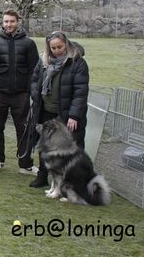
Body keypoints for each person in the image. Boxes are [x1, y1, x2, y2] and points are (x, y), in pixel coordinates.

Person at [28, 31, 89, 188]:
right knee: (44, 145)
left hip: (67, 113)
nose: (57, 50)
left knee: (68, 149)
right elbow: (35, 80)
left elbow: (80, 91)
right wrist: (36, 96)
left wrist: (74, 116)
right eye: (53, 48)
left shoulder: (77, 63)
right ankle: (42, 176)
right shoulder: (43, 61)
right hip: (45, 110)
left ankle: (72, 183)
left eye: (60, 47)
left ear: (66, 44)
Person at [0, 9, 40, 175]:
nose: (9, 24)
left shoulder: (29, 44)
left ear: (18, 22)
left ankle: (25, 164)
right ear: (2, 23)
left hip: (21, 94)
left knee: (24, 130)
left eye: (12, 21)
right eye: (6, 21)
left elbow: (34, 70)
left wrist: (31, 92)